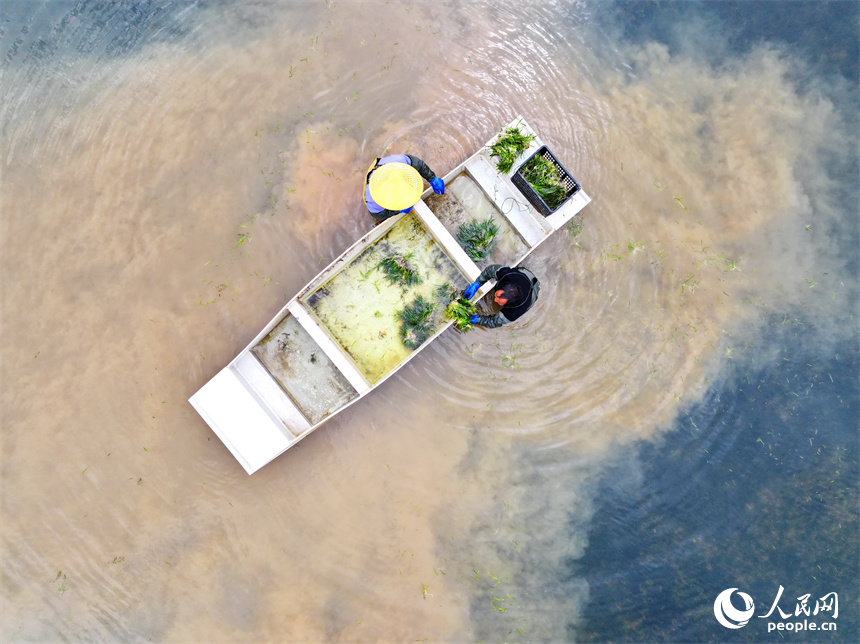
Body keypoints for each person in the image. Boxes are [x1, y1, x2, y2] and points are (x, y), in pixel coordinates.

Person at [364, 154, 445, 222]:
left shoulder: (399, 162)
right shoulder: (373, 198)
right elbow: (377, 215)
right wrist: (396, 211)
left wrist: (432, 178)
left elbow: (418, 164)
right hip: (373, 179)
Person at [462, 264, 541, 328]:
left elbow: (494, 322)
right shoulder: (508, 274)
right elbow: (490, 270)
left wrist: (478, 320)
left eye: (500, 302)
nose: (495, 300)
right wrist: (478, 283)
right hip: (524, 275)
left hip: (532, 289)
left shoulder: (514, 313)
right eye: (496, 295)